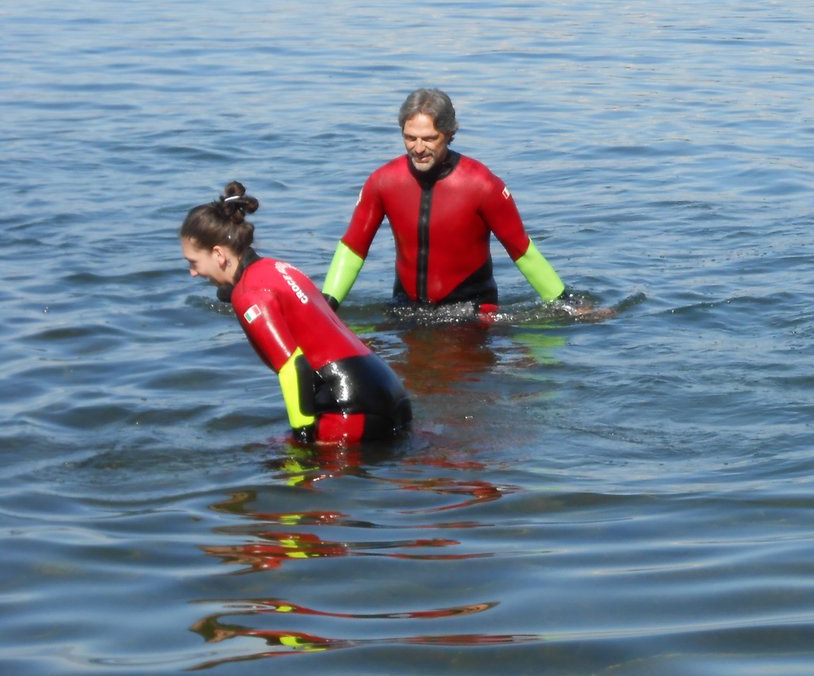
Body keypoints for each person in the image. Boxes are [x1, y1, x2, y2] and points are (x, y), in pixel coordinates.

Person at [180, 182, 412, 443]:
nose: (192, 272)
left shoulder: (249, 295)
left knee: (286, 467)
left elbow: (293, 367)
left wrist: (302, 437)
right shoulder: (277, 268)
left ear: (218, 254)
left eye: (193, 263)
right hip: (387, 388)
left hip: (351, 405)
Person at [322, 88, 572, 314]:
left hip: (470, 313)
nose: (418, 148)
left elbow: (522, 251)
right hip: (406, 310)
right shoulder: (382, 182)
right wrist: (326, 306)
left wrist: (567, 305)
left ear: (449, 134)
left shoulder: (482, 185)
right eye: (410, 137)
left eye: (429, 138)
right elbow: (353, 249)